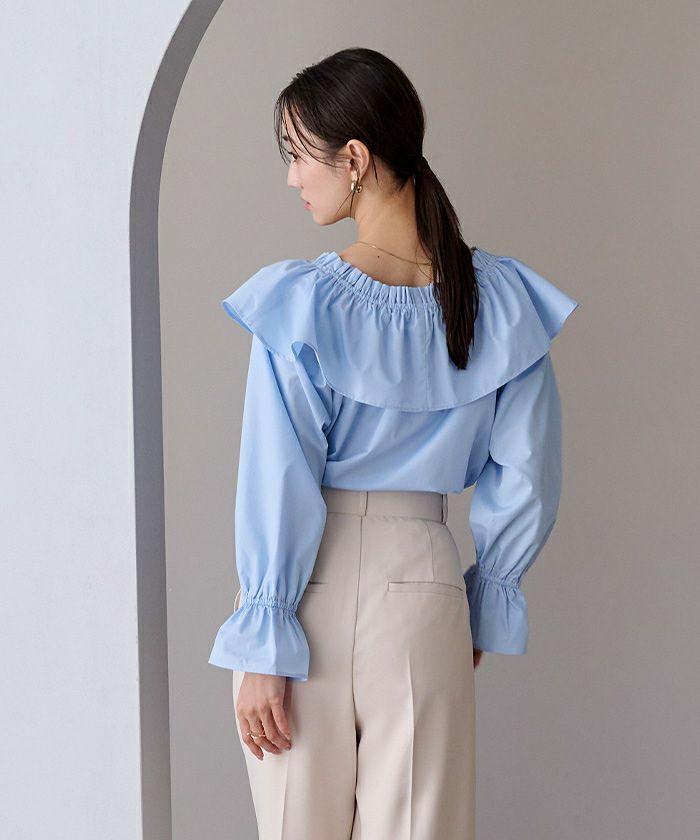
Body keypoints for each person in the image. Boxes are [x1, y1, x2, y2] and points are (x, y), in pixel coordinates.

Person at [208, 46, 578, 840]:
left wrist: (266, 634)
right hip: (425, 583)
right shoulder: (500, 302)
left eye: (296, 153)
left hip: (305, 590)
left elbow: (279, 476)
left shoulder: (301, 304)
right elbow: (528, 474)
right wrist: (486, 593)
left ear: (353, 158)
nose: (291, 177)